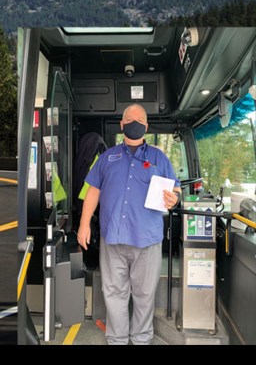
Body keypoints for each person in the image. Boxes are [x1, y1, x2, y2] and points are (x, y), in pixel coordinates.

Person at [77, 103, 181, 345]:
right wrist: (84, 224)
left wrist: (174, 199)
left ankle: (142, 338)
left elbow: (175, 190)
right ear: (122, 125)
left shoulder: (159, 158)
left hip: (147, 240)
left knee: (144, 294)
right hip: (112, 238)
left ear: (146, 125)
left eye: (140, 119)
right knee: (114, 293)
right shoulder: (106, 157)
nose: (134, 122)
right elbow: (92, 192)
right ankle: (117, 339)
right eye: (129, 118)